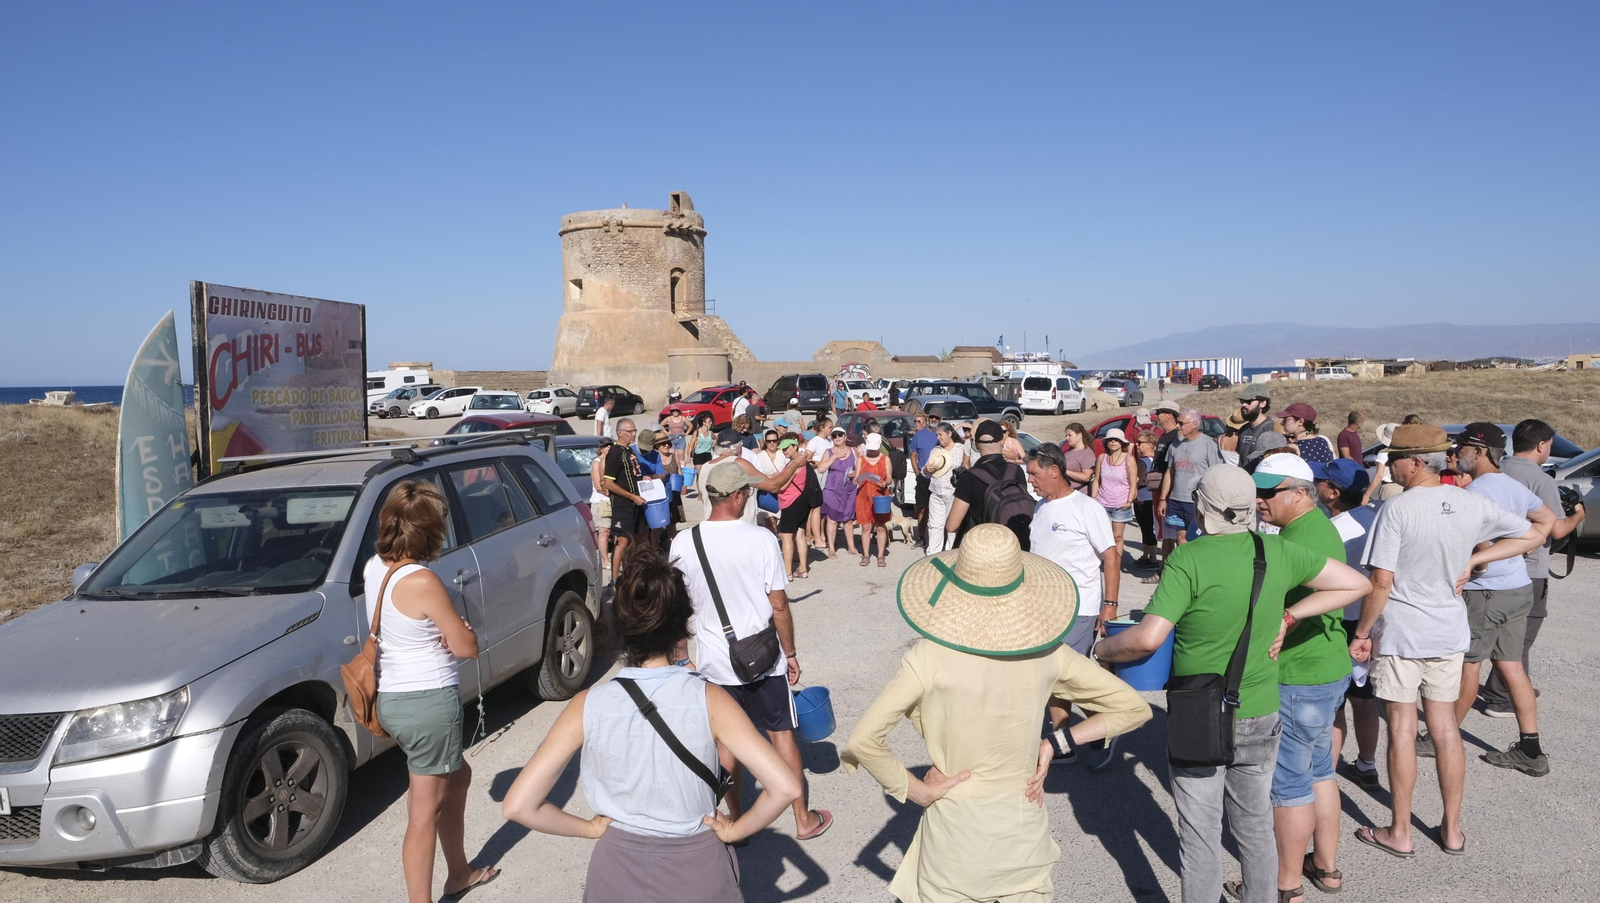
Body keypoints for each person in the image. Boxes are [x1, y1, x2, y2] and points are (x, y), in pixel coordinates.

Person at [1096, 466, 1370, 903]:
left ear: (1202, 506)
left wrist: (1103, 652)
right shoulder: (1276, 550)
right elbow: (1357, 582)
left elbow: (1148, 637)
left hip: (1198, 711)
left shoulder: (1190, 558)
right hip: (1260, 707)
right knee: (1256, 823)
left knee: (1201, 831)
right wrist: (1292, 614)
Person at [844, 524, 1152, 903]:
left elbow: (864, 740)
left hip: (954, 845)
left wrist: (918, 791)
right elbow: (1133, 707)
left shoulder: (929, 655)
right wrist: (1055, 742)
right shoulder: (1048, 653)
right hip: (1023, 837)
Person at [501, 546, 801, 903]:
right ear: (682, 626)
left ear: (619, 627)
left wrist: (590, 828)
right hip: (698, 867)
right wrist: (735, 829)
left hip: (616, 870)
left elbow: (518, 805)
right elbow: (785, 787)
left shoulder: (587, 705)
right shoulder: (710, 698)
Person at [1347, 423, 1544, 858]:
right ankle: (1452, 829)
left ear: (1415, 462)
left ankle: (1400, 831)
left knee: (1402, 729)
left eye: (1393, 458)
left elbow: (1381, 581)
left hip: (1402, 633)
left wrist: (1362, 633)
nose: (1389, 466)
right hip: (1449, 630)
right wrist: (1479, 557)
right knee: (1445, 729)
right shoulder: (1470, 503)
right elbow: (1537, 529)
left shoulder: (1396, 510)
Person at [669, 463, 832, 842]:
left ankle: (737, 821)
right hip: (762, 658)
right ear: (739, 496)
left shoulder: (683, 542)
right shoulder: (760, 539)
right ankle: (802, 819)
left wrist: (681, 655)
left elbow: (677, 608)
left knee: (726, 743)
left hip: (712, 660)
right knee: (781, 735)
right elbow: (779, 606)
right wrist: (790, 653)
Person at [366, 480, 498, 903]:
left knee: (458, 776)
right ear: (430, 530)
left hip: (393, 696)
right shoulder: (423, 579)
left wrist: (442, 631)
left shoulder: (376, 567)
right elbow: (466, 647)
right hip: (427, 703)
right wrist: (461, 634)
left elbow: (411, 626)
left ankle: (458, 872)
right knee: (423, 814)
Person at [1251, 454, 1353, 901]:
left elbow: (1341, 588)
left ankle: (1285, 885)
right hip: (1326, 666)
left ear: (1298, 493)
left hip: (1300, 672)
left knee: (1289, 781)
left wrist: (1289, 617)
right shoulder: (1314, 526)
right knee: (1319, 770)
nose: (1258, 500)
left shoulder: (1303, 536)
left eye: (1268, 493)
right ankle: (1326, 868)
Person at [1450, 423, 1556, 775]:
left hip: (1486, 592)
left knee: (1468, 666)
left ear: (1479, 452)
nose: (1456, 454)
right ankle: (1530, 748)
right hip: (1517, 585)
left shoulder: (1477, 492)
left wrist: (1480, 557)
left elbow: (1479, 542)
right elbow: (1547, 521)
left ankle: (1441, 738)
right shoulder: (1511, 485)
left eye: (1462, 447)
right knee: (1512, 667)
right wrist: (1519, 546)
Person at [1478, 419, 1587, 717]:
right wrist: (1578, 513)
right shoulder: (1541, 480)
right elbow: (1556, 529)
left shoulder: (1496, 471)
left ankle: (1507, 686)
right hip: (1530, 568)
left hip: (1492, 564)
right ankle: (1503, 696)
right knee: (1521, 636)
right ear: (1542, 445)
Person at [1027, 443, 1124, 767]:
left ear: (1054, 471)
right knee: (1056, 677)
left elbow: (1111, 557)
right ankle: (1070, 739)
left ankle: (1095, 731)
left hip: (1080, 606)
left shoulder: (1086, 508)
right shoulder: (1041, 507)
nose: (1031, 481)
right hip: (1044, 609)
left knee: (1067, 676)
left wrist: (1109, 605)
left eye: (1034, 474)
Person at [1310, 458, 1382, 789]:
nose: (1315, 486)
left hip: (1345, 623)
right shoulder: (1374, 516)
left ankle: (1326, 773)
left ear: (1332, 493)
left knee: (1336, 702)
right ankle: (1366, 763)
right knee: (1364, 697)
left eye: (1319, 482)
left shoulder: (1334, 530)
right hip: (1371, 621)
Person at [947, 419, 1032, 549]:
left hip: (983, 550)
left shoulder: (969, 478)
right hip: (1012, 548)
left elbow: (952, 526)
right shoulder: (1016, 471)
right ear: (1002, 441)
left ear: (975, 444)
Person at [1156, 409, 1224, 552]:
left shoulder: (1208, 444)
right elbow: (1170, 471)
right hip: (1176, 500)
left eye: (1181, 423)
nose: (1177, 426)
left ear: (1194, 424)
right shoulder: (1175, 444)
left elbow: (1216, 474)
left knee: (1197, 540)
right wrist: (1163, 499)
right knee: (1181, 538)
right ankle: (1185, 570)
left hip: (1197, 502)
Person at [605, 420, 647, 582]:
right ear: (620, 433)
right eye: (630, 431)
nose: (634, 434)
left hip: (637, 502)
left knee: (637, 539)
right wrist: (631, 496)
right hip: (623, 504)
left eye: (635, 430)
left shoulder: (629, 451)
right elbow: (608, 483)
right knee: (622, 541)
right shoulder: (615, 453)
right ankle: (614, 580)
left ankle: (632, 574)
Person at [1091, 427, 1139, 570]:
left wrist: (1129, 502)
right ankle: (1104, 561)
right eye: (1110, 440)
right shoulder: (1102, 458)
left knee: (1117, 536)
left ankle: (1115, 564)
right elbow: (1097, 479)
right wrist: (1093, 498)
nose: (1112, 442)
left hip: (1120, 503)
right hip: (1102, 502)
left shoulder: (1129, 460)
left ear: (1122, 442)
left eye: (1116, 440)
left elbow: (1133, 483)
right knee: (1102, 535)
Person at [776, 433, 815, 579]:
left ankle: (787, 572)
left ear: (795, 446)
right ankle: (803, 569)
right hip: (802, 501)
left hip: (790, 501)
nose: (784, 451)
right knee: (800, 534)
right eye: (783, 449)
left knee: (786, 536)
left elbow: (782, 485)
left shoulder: (795, 463)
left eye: (787, 448)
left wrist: (781, 478)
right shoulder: (802, 460)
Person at [818, 427, 860, 558]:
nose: (837, 437)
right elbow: (821, 469)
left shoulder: (853, 451)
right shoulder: (828, 452)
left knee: (848, 519)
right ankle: (831, 548)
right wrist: (834, 457)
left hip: (849, 489)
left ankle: (851, 547)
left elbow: (860, 468)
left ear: (845, 436)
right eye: (834, 435)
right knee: (832, 519)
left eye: (840, 435)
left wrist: (855, 474)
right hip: (832, 489)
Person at [854, 433, 894, 567]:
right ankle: (866, 555)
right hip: (864, 496)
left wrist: (885, 483)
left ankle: (881, 556)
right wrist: (855, 479)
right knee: (865, 527)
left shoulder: (885, 459)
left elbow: (889, 477)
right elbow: (857, 477)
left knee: (880, 527)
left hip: (880, 496)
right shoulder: (861, 459)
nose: (872, 450)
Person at [922, 423, 959, 555]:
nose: (938, 438)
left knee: (952, 526)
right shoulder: (935, 450)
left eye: (940, 434)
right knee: (934, 525)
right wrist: (926, 470)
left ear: (949, 434)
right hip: (936, 492)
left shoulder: (959, 450)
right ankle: (933, 553)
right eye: (937, 435)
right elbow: (924, 471)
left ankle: (950, 553)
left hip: (953, 492)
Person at [908, 412, 939, 549]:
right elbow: (913, 455)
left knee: (939, 510)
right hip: (923, 478)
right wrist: (917, 473)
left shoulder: (943, 433)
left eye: (936, 417)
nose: (934, 419)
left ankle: (938, 540)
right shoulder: (919, 435)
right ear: (928, 419)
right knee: (921, 508)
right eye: (932, 417)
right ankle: (921, 537)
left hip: (940, 479)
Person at [1133, 432, 1160, 569]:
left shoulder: (1142, 462)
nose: (1137, 445)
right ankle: (1147, 555)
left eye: (1140, 442)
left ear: (1150, 445)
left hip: (1143, 497)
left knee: (1146, 528)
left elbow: (1136, 482)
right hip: (1152, 496)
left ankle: (1152, 558)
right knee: (1148, 527)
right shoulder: (1155, 460)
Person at [1235, 387, 1277, 466]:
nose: (1244, 405)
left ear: (1262, 403)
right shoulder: (1243, 430)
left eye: (1248, 401)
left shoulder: (1272, 429)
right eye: (1242, 401)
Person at [590, 437, 614, 569]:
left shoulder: (613, 461)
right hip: (602, 502)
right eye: (606, 446)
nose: (609, 447)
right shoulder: (597, 462)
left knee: (615, 531)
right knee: (604, 532)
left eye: (610, 445)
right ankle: (605, 560)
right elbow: (598, 485)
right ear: (600, 449)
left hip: (613, 501)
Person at [1364, 422, 1402, 503]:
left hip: (1389, 488)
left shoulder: (1384, 453)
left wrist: (1367, 495)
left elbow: (1379, 476)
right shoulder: (1404, 452)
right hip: (1402, 487)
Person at [1059, 422, 1095, 491]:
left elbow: (1087, 477)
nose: (1067, 438)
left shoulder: (1087, 453)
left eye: (1070, 435)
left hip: (1079, 493)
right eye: (1066, 436)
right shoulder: (1069, 451)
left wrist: (1065, 471)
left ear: (1079, 435)